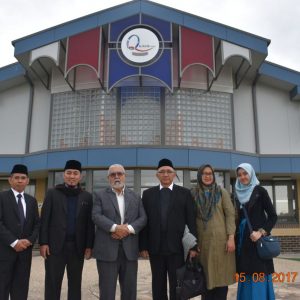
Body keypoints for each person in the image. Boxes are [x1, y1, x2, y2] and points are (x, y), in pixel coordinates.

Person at [139, 158, 198, 300]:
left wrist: (194, 246)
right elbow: (144, 222)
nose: (165, 174)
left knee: (177, 285)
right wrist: (143, 246)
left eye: (169, 172)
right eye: (162, 172)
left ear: (174, 174)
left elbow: (191, 221)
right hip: (155, 247)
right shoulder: (148, 194)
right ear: (157, 175)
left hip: (178, 248)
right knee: (157, 285)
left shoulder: (185, 193)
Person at [39, 160, 94, 300]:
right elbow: (44, 220)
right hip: (54, 247)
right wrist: (43, 242)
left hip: (77, 247)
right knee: (52, 283)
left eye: (75, 173)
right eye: (68, 173)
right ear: (64, 175)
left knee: (75, 284)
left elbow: (89, 224)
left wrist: (89, 246)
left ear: (80, 176)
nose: (72, 176)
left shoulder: (86, 196)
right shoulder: (52, 193)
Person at [92, 164, 147, 300]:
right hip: (107, 251)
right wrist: (115, 228)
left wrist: (127, 229)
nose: (116, 176)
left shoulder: (135, 196)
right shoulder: (99, 195)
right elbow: (96, 216)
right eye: (113, 174)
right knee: (107, 292)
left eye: (120, 173)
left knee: (129, 292)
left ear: (125, 176)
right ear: (108, 178)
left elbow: (143, 218)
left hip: (130, 251)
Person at [192, 164, 236, 300]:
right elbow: (190, 218)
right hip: (203, 242)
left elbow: (230, 214)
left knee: (221, 278)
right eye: (204, 173)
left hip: (222, 242)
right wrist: (192, 243)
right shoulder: (193, 193)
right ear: (199, 175)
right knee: (206, 278)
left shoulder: (221, 192)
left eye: (210, 173)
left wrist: (231, 237)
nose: (207, 176)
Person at [235, 163, 277, 300]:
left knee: (258, 279)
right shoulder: (236, 195)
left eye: (245, 173)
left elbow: (273, 216)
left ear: (251, 173)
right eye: (239, 175)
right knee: (246, 278)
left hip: (257, 245)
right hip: (243, 245)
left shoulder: (260, 191)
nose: (242, 177)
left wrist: (261, 232)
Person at [0, 164, 40, 300]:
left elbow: (37, 224)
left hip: (24, 254)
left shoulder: (32, 201)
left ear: (28, 181)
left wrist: (29, 240)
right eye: (16, 177)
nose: (20, 180)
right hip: (4, 253)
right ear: (10, 180)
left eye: (23, 178)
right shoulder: (2, 197)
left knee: (21, 290)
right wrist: (14, 242)